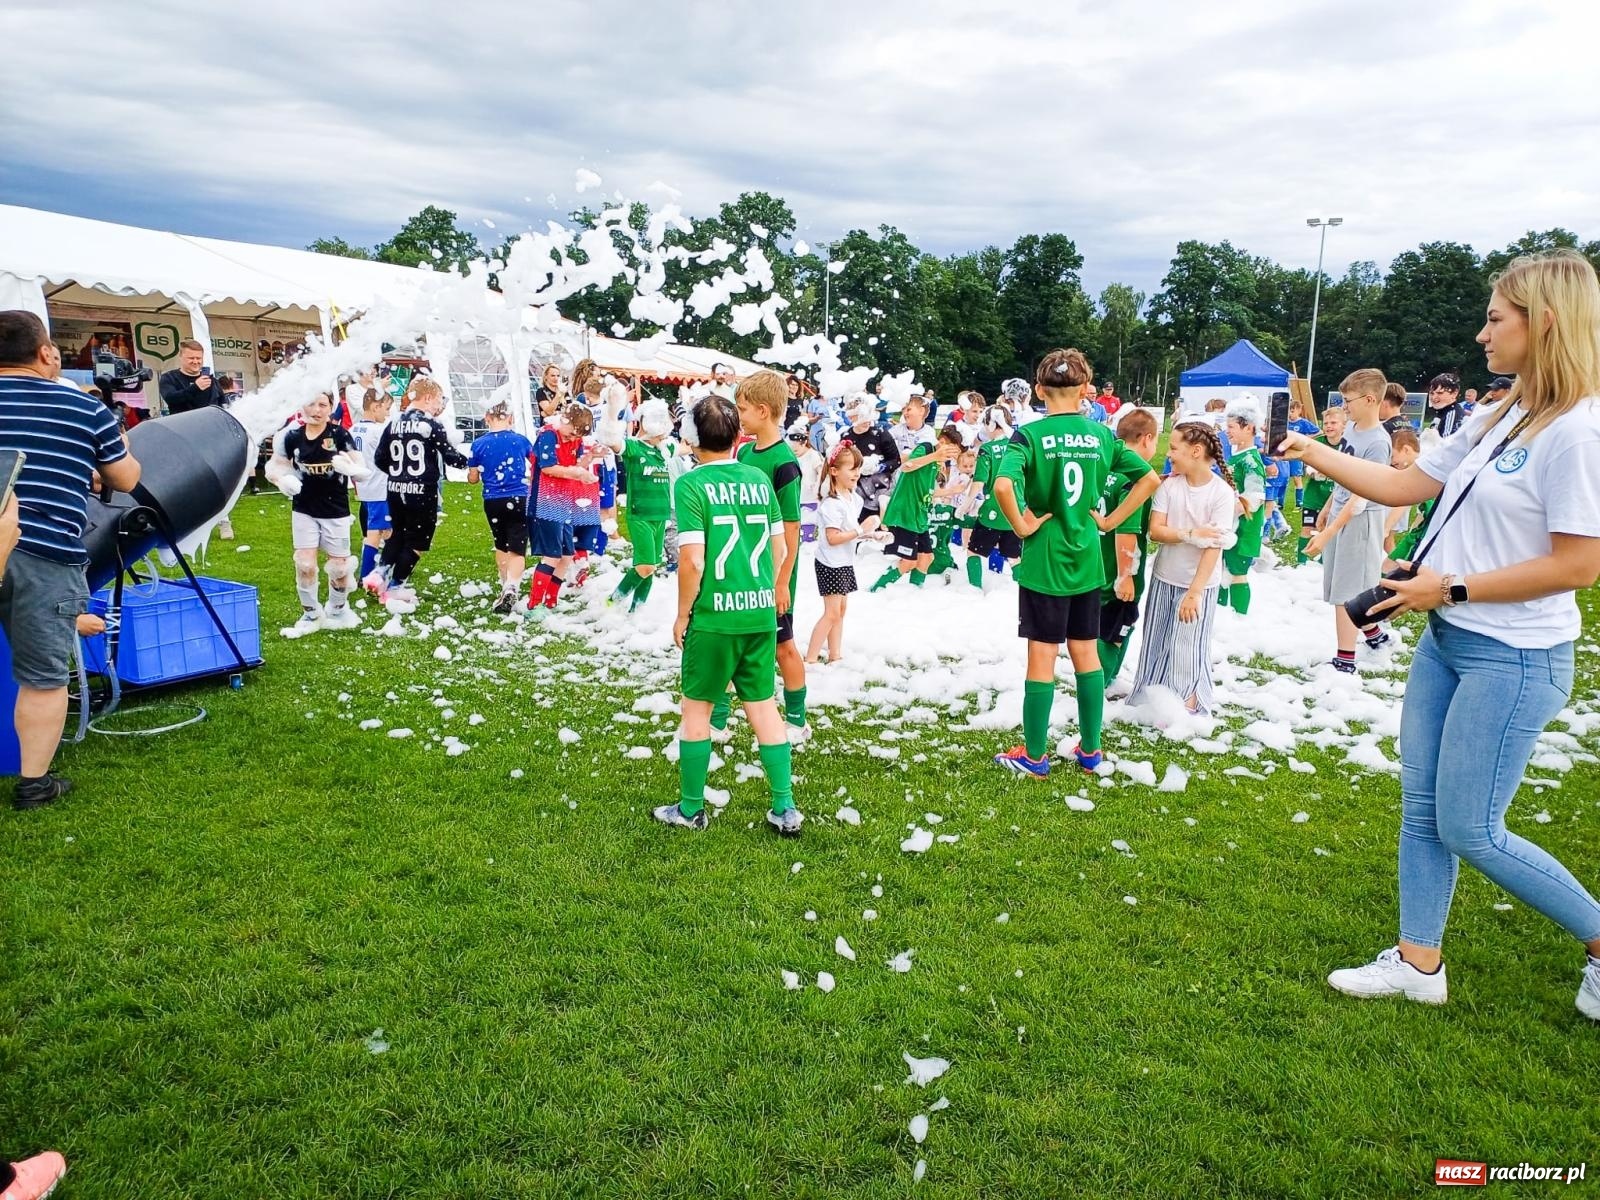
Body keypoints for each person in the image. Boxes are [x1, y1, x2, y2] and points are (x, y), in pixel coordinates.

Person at [1282, 249, 1600, 1017]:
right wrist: (1312, 448)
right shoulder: (1500, 413)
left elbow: (1580, 564)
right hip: (1450, 641)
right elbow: (1404, 483)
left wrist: (1448, 585)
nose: (1482, 333)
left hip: (1516, 658)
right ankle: (1418, 963)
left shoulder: (1580, 432)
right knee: (1422, 809)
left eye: (1496, 318)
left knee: (1472, 828)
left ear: (1545, 322)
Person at [991, 349, 1159, 778]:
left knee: (1042, 655)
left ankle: (1033, 756)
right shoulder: (1102, 435)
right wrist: (1109, 521)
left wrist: (1023, 527)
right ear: (1086, 390)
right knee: (1086, 652)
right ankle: (1090, 750)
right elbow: (1149, 479)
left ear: (1038, 390)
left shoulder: (1027, 436)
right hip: (1086, 559)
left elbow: (1004, 486)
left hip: (1045, 561)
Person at [0, 309, 141, 809]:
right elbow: (124, 479)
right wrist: (115, 438)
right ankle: (34, 784)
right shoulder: (80, 405)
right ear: (44, 353)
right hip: (44, 556)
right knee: (42, 677)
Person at [656, 394, 800, 836]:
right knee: (763, 708)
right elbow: (780, 548)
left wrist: (683, 613)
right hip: (759, 614)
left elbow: (693, 560)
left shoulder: (691, 484)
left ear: (692, 437)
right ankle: (784, 808)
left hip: (715, 616)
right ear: (739, 433)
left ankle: (691, 807)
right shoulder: (758, 477)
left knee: (696, 710)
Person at [1128, 420, 1237, 715]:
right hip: (1165, 576)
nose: (1169, 454)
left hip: (1198, 584)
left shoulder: (1221, 494)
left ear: (1197, 451)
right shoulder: (1170, 486)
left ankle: (1188, 702)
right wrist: (1190, 535)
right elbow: (1156, 531)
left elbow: (1215, 546)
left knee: (1188, 644)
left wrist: (1195, 592)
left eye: (1174, 448)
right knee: (1157, 638)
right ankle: (1153, 696)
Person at [727, 371, 809, 745]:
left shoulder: (784, 463)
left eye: (742, 409)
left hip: (772, 572)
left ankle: (797, 718)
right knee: (736, 639)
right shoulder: (743, 451)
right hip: (743, 566)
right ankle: (718, 716)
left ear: (763, 410)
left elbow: (791, 528)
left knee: (783, 645)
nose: (738, 415)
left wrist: (781, 581)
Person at [1304, 369, 1393, 673]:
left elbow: (1361, 497)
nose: (1344, 408)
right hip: (1341, 516)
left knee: (1346, 591)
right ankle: (1374, 634)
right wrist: (1329, 506)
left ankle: (1345, 660)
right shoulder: (1352, 431)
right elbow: (1344, 477)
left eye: (1348, 401)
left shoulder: (1378, 443)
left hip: (1360, 523)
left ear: (1370, 400)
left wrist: (1329, 532)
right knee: (1341, 584)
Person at [265, 390, 367, 635]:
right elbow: (274, 466)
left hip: (336, 510)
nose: (316, 410)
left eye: (322, 404)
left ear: (330, 408)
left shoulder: (340, 435)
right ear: (302, 405)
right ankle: (310, 612)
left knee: (340, 568)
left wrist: (350, 467)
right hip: (304, 508)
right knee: (305, 563)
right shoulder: (290, 437)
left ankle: (337, 609)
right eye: (311, 403)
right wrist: (281, 481)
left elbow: (362, 469)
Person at [367, 377, 468, 610]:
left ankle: (379, 572)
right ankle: (395, 587)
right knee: (417, 542)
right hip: (422, 492)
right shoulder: (431, 425)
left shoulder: (392, 423)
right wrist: (473, 463)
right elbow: (451, 457)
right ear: (428, 398)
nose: (439, 406)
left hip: (395, 489)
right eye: (438, 400)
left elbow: (380, 459)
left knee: (397, 534)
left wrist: (398, 474)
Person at [1097, 408, 1161, 696]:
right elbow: (1126, 531)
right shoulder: (1134, 475)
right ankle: (1099, 684)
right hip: (1115, 571)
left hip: (1093, 564)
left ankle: (1100, 680)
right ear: (1147, 438)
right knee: (1116, 632)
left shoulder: (1106, 464)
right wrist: (1126, 575)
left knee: (1099, 626)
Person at [871, 397, 959, 591]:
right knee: (909, 561)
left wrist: (953, 490)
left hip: (918, 514)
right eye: (951, 449)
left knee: (927, 558)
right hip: (907, 512)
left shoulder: (937, 461)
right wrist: (935, 456)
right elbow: (908, 466)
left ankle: (914, 593)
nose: (952, 454)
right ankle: (876, 590)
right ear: (942, 442)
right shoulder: (926, 448)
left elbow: (928, 490)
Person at [805, 444, 880, 664]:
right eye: (852, 468)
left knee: (841, 610)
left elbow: (849, 532)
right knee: (831, 613)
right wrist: (860, 530)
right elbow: (833, 537)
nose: (857, 473)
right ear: (835, 471)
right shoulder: (831, 504)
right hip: (830, 563)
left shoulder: (853, 499)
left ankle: (835, 654)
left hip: (844, 561)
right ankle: (810, 659)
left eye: (858, 468)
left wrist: (871, 536)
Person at [601, 398, 675, 613]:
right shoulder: (634, 447)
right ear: (647, 423)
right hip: (640, 514)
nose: (666, 428)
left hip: (660, 515)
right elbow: (612, 441)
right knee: (645, 566)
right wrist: (613, 412)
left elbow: (691, 446)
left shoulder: (665, 448)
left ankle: (636, 612)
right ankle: (611, 603)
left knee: (649, 568)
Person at [525, 403, 599, 612]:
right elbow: (548, 467)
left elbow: (576, 466)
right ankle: (535, 604)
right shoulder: (548, 435)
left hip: (563, 504)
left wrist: (592, 457)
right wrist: (577, 474)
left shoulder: (574, 439)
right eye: (570, 433)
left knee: (567, 555)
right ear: (563, 420)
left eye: (577, 437)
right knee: (552, 554)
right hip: (544, 503)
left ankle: (551, 600)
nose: (572, 439)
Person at [465, 402, 535, 614]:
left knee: (501, 543)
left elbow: (472, 479)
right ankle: (511, 586)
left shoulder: (478, 444)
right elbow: (535, 465)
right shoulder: (521, 441)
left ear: (487, 417)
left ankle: (505, 584)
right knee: (518, 546)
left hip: (493, 500)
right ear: (510, 418)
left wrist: (476, 471)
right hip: (518, 497)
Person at [959, 405, 1021, 586]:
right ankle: (1021, 593)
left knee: (974, 551)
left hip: (993, 510)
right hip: (1016, 511)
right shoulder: (1019, 447)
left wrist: (965, 505)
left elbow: (979, 482)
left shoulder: (988, 449)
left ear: (992, 424)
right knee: (1014, 556)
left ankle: (975, 590)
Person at [1219, 403, 1267, 613]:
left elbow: (1254, 498)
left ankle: (1239, 618)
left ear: (1248, 428)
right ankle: (1220, 613)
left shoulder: (1251, 460)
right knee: (1222, 569)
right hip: (1232, 526)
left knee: (1236, 571)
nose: (1227, 431)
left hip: (1244, 528)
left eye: (1232, 427)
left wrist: (1228, 513)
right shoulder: (1238, 454)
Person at [350, 388, 395, 582]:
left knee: (389, 531)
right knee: (375, 533)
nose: (388, 413)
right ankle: (367, 575)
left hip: (366, 487)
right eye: (386, 408)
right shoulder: (379, 431)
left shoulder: (353, 429)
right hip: (380, 488)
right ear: (375, 406)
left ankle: (387, 568)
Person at [839, 394, 901, 520]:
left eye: (869, 416)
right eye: (861, 416)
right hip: (854, 490)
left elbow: (896, 461)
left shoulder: (880, 434)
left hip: (880, 491)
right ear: (851, 417)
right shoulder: (846, 437)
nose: (866, 421)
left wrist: (879, 467)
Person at [1297, 404, 1345, 564]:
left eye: (1333, 423)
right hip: (1314, 496)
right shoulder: (1317, 443)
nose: (1329, 426)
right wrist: (1312, 470)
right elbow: (1306, 466)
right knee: (1307, 529)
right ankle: (1302, 563)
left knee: (1328, 531)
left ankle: (1324, 564)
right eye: (1326, 423)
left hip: (1334, 498)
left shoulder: (1348, 445)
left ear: (1344, 425)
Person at [1382, 428, 1422, 558]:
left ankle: (1394, 570)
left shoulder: (1420, 467)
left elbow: (1404, 502)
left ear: (1406, 450)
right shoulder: (1409, 468)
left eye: (1392, 456)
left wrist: (1386, 528)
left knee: (1390, 542)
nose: (1391, 461)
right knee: (1387, 543)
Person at [158, 338, 222, 416]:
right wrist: (195, 388)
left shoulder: (212, 381)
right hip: (183, 425)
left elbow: (223, 404)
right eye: (191, 358)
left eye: (198, 358)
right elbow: (171, 399)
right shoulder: (169, 378)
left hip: (210, 425)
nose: (195, 362)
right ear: (181, 357)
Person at [1286, 397, 1319, 508]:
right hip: (1284, 454)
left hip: (1296, 455)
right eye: (1289, 411)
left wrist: (1306, 438)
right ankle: (1280, 503)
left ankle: (1299, 503)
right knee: (1283, 478)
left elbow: (1319, 432)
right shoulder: (1285, 423)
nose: (1290, 413)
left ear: (1299, 410)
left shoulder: (1303, 423)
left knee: (1296, 478)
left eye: (1292, 411)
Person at [792, 427, 822, 543]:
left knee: (808, 534)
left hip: (810, 499)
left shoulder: (813, 455)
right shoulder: (792, 457)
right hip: (796, 498)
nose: (795, 452)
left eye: (796, 449)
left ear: (804, 442)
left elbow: (821, 472)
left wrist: (817, 485)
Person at [1424, 372, 1468, 436]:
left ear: (1454, 393)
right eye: (1432, 393)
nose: (1434, 397)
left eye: (1440, 393)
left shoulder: (1451, 414)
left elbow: (1446, 443)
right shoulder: (1443, 411)